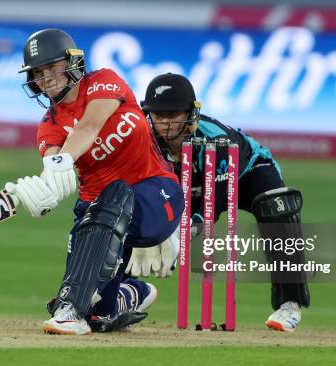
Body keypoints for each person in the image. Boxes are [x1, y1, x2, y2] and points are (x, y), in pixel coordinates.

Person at [4, 29, 183, 335]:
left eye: (52, 67)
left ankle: (70, 309)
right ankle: (131, 294)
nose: (46, 77)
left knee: (114, 194)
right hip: (101, 217)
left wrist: (61, 162)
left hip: (156, 193)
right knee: (100, 315)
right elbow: (54, 166)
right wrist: (44, 191)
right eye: (38, 72)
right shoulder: (49, 127)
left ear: (73, 62)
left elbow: (88, 127)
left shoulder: (103, 81)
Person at [133, 73, 310, 332]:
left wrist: (180, 235)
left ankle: (290, 304)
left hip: (246, 173)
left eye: (173, 115)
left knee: (277, 208)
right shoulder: (143, 140)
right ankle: (118, 296)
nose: (166, 124)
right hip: (188, 184)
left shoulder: (217, 140)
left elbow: (212, 204)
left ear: (191, 114)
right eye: (159, 116)